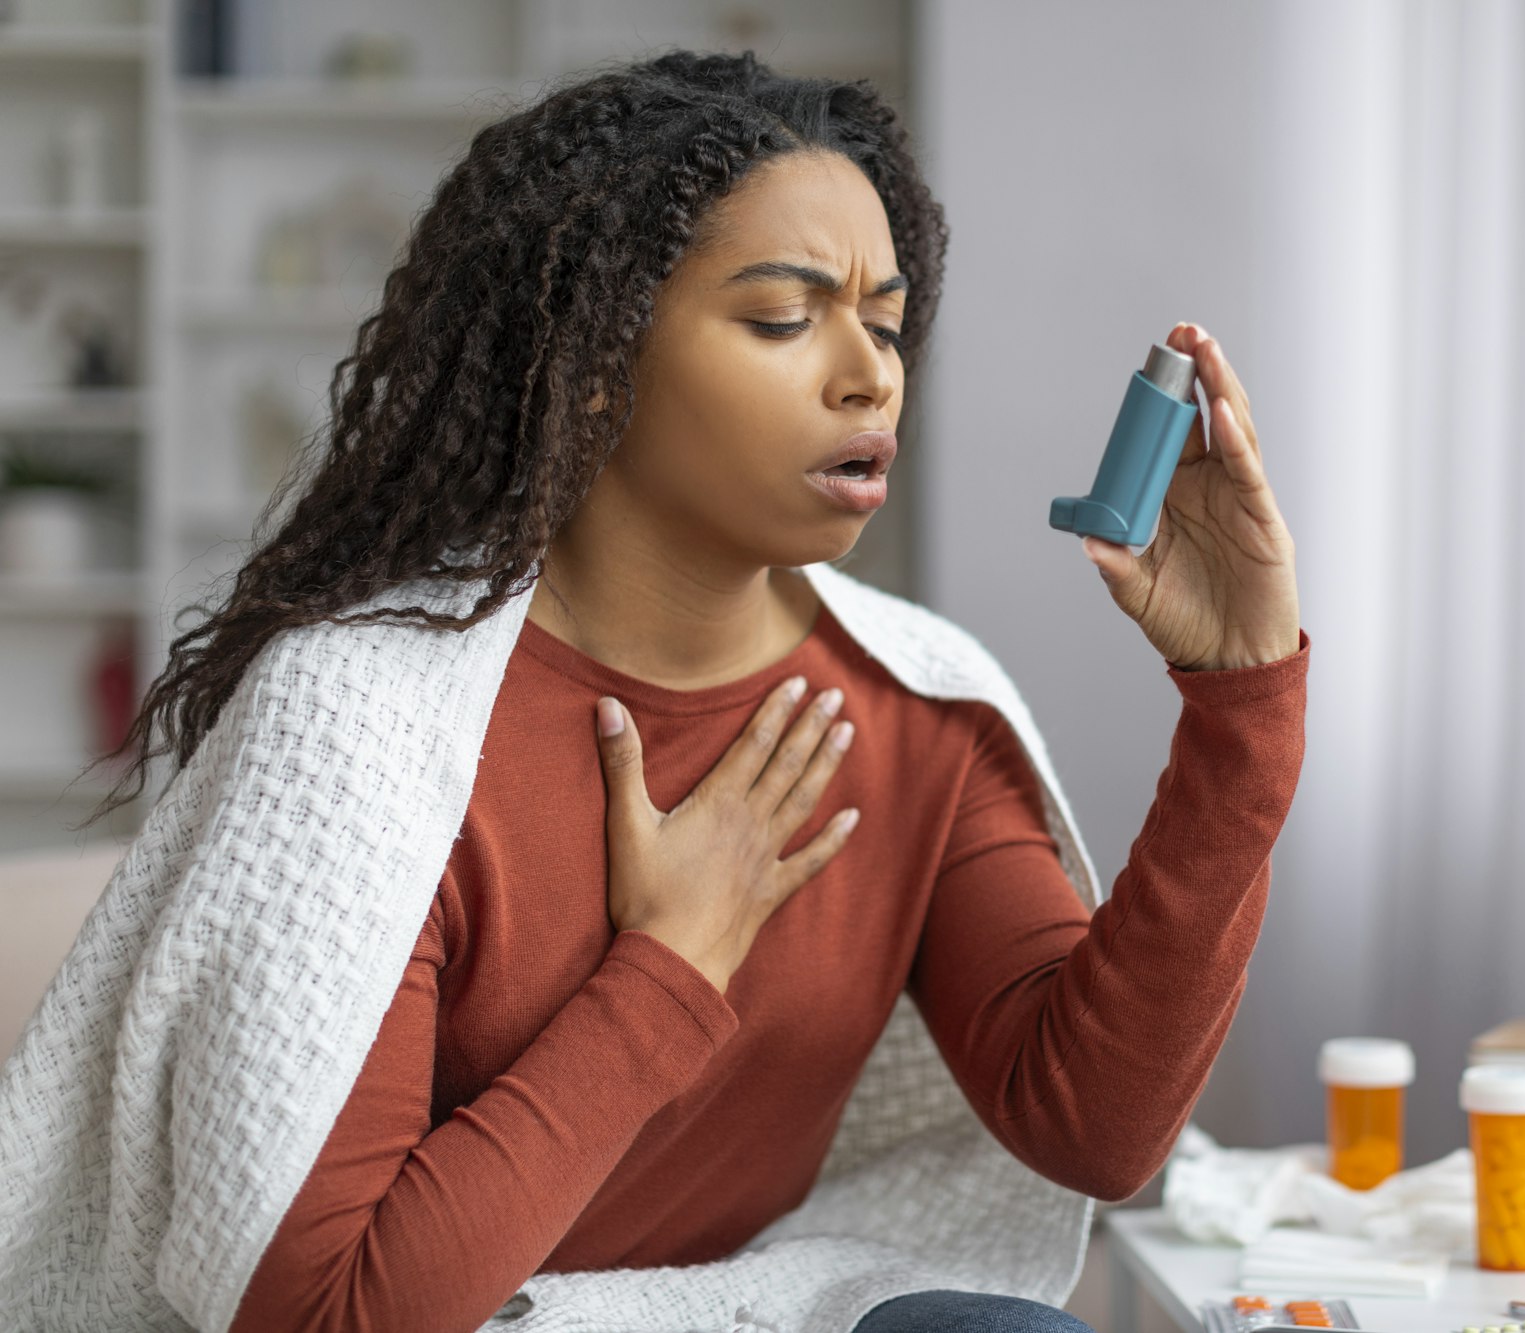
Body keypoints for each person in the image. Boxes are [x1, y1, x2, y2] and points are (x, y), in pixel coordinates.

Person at [77, 49, 1307, 1333]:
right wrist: (672, 961)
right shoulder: (358, 726)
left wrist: (1244, 704)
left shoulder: (915, 703)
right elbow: (325, 1316)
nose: (870, 375)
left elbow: (1095, 1128)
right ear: (596, 358)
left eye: (884, 325)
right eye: (785, 318)